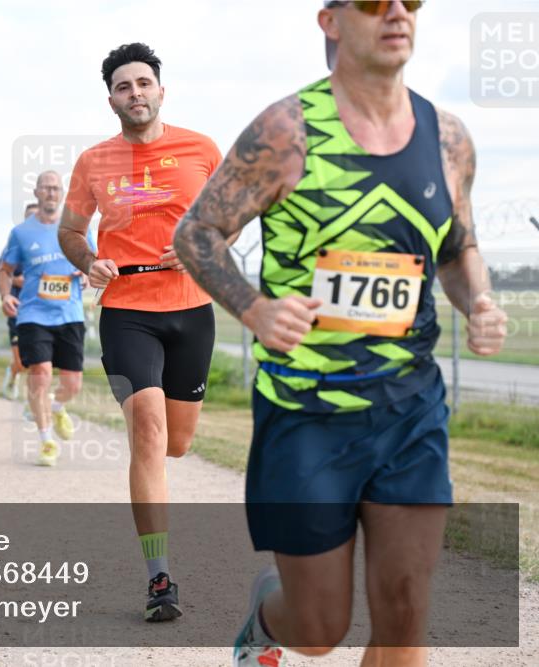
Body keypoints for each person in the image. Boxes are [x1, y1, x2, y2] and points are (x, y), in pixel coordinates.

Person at [172, 3, 509, 665]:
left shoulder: (448, 138)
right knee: (319, 628)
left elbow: (457, 247)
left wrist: (480, 301)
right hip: (307, 412)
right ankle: (267, 621)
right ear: (330, 22)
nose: (397, 13)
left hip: (410, 408)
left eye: (410, 1)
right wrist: (255, 309)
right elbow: (197, 232)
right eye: (375, 1)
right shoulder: (286, 131)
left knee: (406, 609)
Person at [58, 42, 223, 622]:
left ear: (160, 89)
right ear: (111, 100)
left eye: (143, 83)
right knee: (149, 435)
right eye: (124, 86)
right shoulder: (93, 162)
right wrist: (87, 261)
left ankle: (159, 544)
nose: (136, 93)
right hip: (127, 309)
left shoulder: (201, 149)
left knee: (177, 443)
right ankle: (159, 578)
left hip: (192, 310)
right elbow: (72, 232)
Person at [0, 173, 94, 466]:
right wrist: (5, 295)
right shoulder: (22, 233)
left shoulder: (79, 227)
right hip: (33, 314)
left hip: (70, 314)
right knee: (40, 372)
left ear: (61, 193)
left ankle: (57, 406)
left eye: (56, 188)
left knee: (73, 384)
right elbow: (4, 270)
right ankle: (46, 441)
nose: (51, 193)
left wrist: (89, 272)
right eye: (46, 188)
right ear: (37, 191)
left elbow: (94, 262)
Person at [0, 202, 38, 401]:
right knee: (23, 362)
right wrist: (18, 281)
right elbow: (2, 272)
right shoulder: (16, 245)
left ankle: (34, 404)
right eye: (29, 217)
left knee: (40, 360)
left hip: (42, 311)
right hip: (18, 310)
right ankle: (13, 372)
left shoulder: (50, 245)